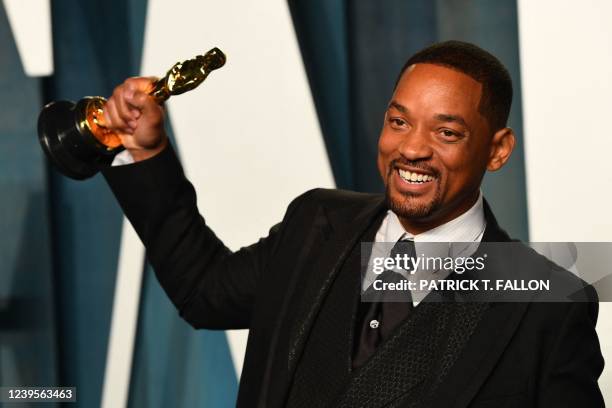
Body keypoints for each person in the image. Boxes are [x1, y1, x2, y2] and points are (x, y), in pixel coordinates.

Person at [101, 41, 604, 407]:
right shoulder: (316, 223)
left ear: (497, 150)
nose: (411, 148)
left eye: (446, 131)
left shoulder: (546, 301)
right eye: (398, 121)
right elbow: (203, 291)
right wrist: (147, 153)